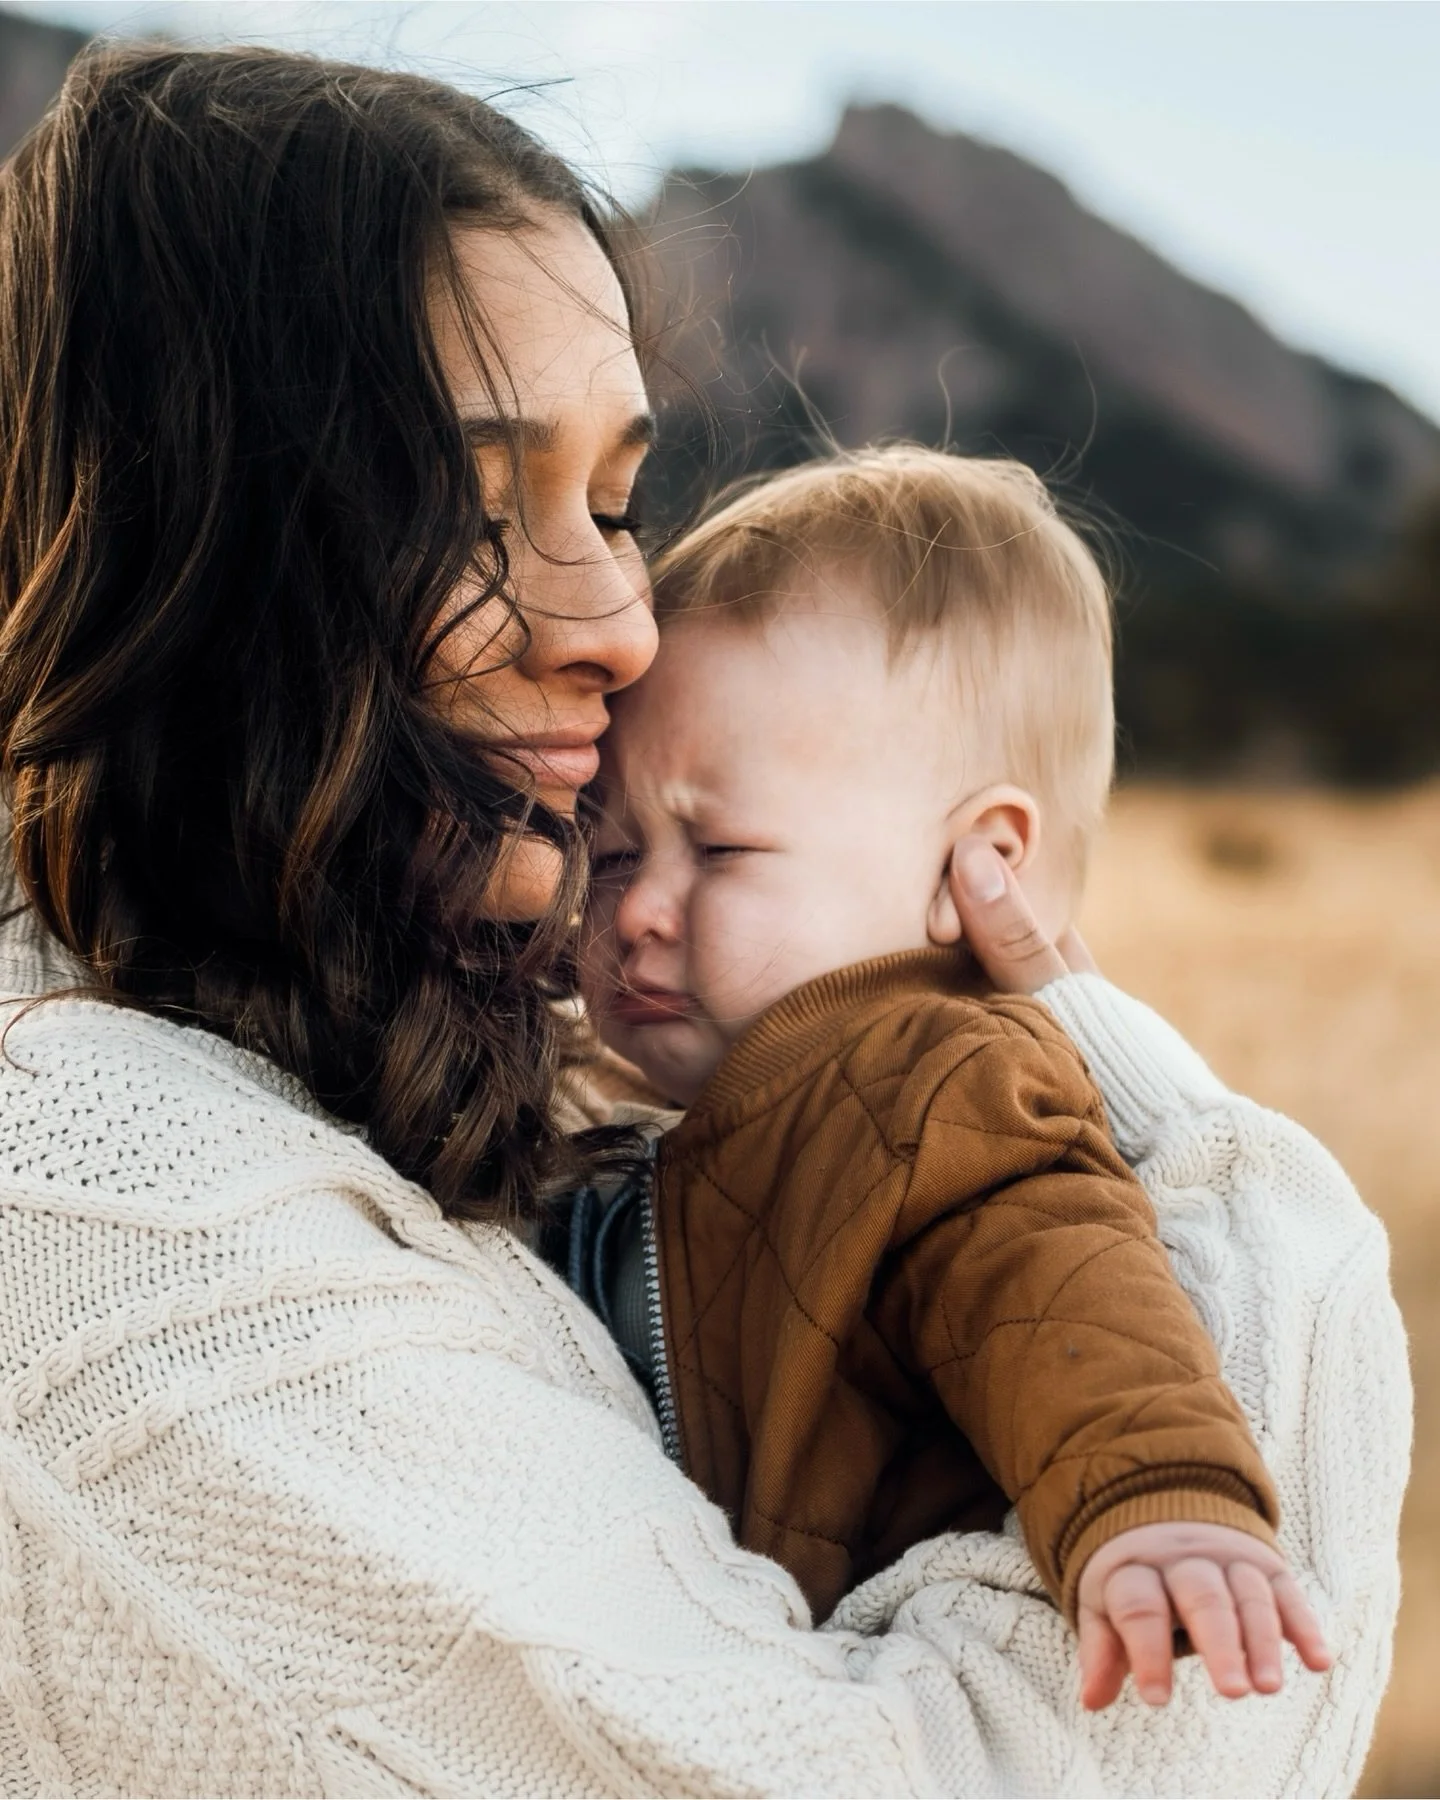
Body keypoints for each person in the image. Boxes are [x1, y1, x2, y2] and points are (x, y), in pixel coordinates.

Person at [0, 41, 1408, 1799]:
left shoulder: (366, 1079)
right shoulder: (130, 1243)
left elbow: (1026, 1277)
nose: (622, 626)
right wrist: (1241, 1202)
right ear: (187, 544)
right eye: (476, 505)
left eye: (616, 501)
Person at [574, 447, 1328, 1710]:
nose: (641, 907)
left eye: (720, 847)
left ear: (975, 866)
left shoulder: (939, 1085)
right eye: (606, 853)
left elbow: (1054, 1289)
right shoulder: (681, 1114)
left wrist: (1155, 1504)